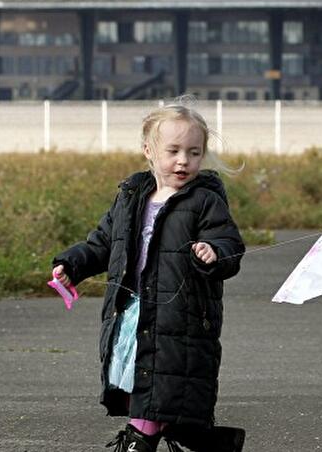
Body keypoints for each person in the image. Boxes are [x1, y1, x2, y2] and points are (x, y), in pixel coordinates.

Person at [52, 102, 246, 452]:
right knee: (139, 392)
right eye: (173, 151)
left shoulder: (205, 200)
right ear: (149, 151)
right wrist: (73, 265)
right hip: (131, 314)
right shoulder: (131, 197)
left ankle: (137, 442)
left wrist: (213, 252)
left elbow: (229, 244)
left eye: (194, 152)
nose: (183, 161)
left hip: (179, 320)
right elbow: (104, 243)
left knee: (154, 397)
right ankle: (212, 442)